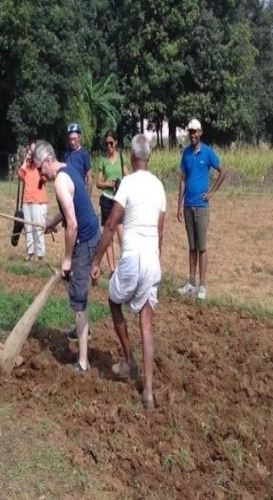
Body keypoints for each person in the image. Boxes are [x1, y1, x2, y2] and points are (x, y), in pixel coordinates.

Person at [91, 134, 165, 412]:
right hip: (152, 259)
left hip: (133, 256)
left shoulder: (129, 183)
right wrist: (158, 259)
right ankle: (148, 391)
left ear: (132, 158)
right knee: (146, 325)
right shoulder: (158, 186)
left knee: (113, 300)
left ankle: (129, 360)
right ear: (149, 157)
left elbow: (111, 224)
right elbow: (160, 231)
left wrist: (97, 259)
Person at [35, 140, 100, 373]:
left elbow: (72, 224)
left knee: (79, 300)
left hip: (83, 240)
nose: (41, 174)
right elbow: (68, 210)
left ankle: (83, 362)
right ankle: (82, 328)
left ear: (48, 161)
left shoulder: (60, 182)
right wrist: (52, 223)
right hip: (92, 233)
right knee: (76, 288)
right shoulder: (68, 169)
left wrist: (67, 258)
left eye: (40, 168)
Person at [176, 118, 227, 300]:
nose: (193, 135)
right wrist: (179, 205)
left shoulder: (208, 153)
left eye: (195, 131)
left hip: (202, 207)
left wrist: (212, 192)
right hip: (188, 206)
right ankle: (191, 283)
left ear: (201, 132)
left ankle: (202, 285)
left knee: (202, 247)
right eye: (190, 132)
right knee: (192, 247)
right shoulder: (186, 153)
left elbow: (223, 171)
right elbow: (182, 179)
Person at [96, 130, 129, 274]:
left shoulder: (122, 158)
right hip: (106, 200)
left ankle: (124, 265)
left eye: (111, 143)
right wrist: (109, 183)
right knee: (108, 236)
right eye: (106, 144)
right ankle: (112, 269)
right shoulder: (103, 161)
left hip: (119, 200)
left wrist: (121, 184)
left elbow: (129, 178)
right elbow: (98, 182)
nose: (109, 146)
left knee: (121, 234)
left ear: (116, 143)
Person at [18, 140, 48, 262]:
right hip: (27, 200)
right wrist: (26, 160)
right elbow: (20, 176)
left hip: (39, 201)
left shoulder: (41, 165)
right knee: (28, 229)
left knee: (38, 229)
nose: (32, 152)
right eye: (31, 150)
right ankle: (30, 255)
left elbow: (44, 178)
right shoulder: (28, 165)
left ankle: (40, 257)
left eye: (34, 150)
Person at [63, 122, 93, 195]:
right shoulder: (66, 154)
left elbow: (89, 177)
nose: (72, 142)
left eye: (74, 139)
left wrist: (88, 196)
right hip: (68, 192)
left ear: (79, 137)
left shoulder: (84, 154)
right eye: (71, 139)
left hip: (80, 191)